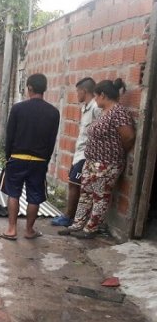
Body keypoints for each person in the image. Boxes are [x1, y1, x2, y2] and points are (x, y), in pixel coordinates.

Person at [60, 78, 135, 239]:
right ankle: (77, 224)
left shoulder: (118, 112)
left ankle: (91, 229)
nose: (94, 99)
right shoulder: (103, 112)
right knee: (85, 193)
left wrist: (115, 154)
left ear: (103, 95)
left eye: (96, 96)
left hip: (107, 164)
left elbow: (128, 137)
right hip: (92, 162)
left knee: (100, 196)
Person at [0, 73, 60, 240]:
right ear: (45, 89)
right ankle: (29, 230)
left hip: (17, 157)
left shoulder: (18, 109)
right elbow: (51, 141)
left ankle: (11, 229)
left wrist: (8, 156)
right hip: (39, 161)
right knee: (34, 196)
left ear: (29, 88)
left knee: (14, 193)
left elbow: (9, 135)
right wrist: (45, 161)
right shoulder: (53, 112)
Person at [51, 77, 102, 226]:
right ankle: (73, 216)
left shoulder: (95, 108)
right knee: (73, 183)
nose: (76, 95)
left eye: (77, 92)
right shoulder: (85, 107)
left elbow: (101, 131)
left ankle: (69, 217)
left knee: (75, 184)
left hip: (87, 155)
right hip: (79, 153)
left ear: (84, 91)